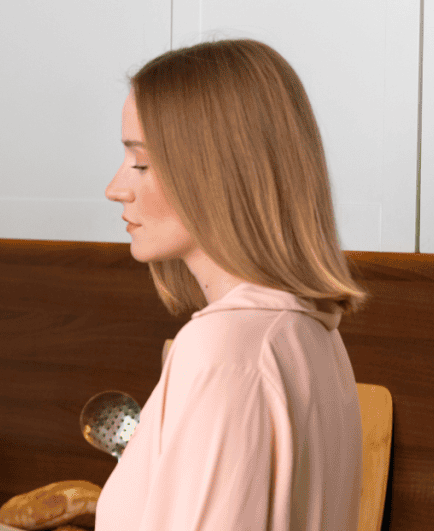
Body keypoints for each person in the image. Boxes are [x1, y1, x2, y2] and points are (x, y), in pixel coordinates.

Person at [99, 39, 367, 529]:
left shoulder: (224, 349)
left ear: (214, 172)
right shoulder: (314, 335)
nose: (116, 187)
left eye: (140, 162)